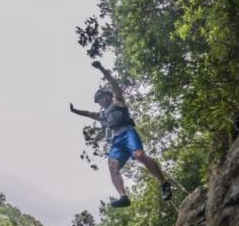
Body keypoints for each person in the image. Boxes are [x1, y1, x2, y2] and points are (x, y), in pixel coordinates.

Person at [69, 61, 172, 207]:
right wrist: (74, 111)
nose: (101, 101)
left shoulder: (118, 101)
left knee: (139, 156)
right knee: (112, 166)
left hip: (127, 133)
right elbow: (87, 113)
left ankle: (164, 184)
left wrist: (101, 69)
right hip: (116, 142)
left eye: (103, 97)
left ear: (108, 96)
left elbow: (113, 82)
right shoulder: (101, 115)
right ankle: (123, 196)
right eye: (99, 100)